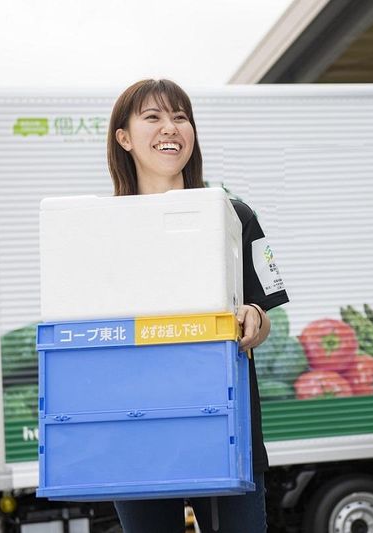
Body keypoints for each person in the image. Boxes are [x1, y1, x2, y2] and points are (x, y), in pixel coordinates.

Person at [106, 79, 289, 533]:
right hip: (135, 429)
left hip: (224, 425)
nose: (170, 128)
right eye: (153, 117)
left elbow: (263, 313)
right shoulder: (102, 227)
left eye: (180, 117)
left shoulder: (235, 215)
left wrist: (255, 317)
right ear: (124, 137)